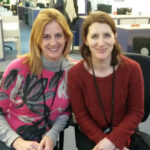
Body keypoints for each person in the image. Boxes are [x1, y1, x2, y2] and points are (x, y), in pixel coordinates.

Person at [68, 11, 144, 150]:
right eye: (94, 36)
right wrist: (108, 144)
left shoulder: (132, 69)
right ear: (85, 40)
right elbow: (81, 116)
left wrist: (113, 141)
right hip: (91, 134)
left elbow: (135, 112)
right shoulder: (75, 74)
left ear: (115, 37)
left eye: (107, 35)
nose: (101, 43)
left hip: (125, 132)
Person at [0, 8, 73, 150]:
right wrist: (17, 141)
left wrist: (52, 135)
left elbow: (66, 112)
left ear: (66, 37)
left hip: (45, 144)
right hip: (11, 141)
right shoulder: (18, 69)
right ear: (37, 39)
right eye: (46, 37)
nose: (53, 43)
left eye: (58, 35)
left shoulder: (72, 71)